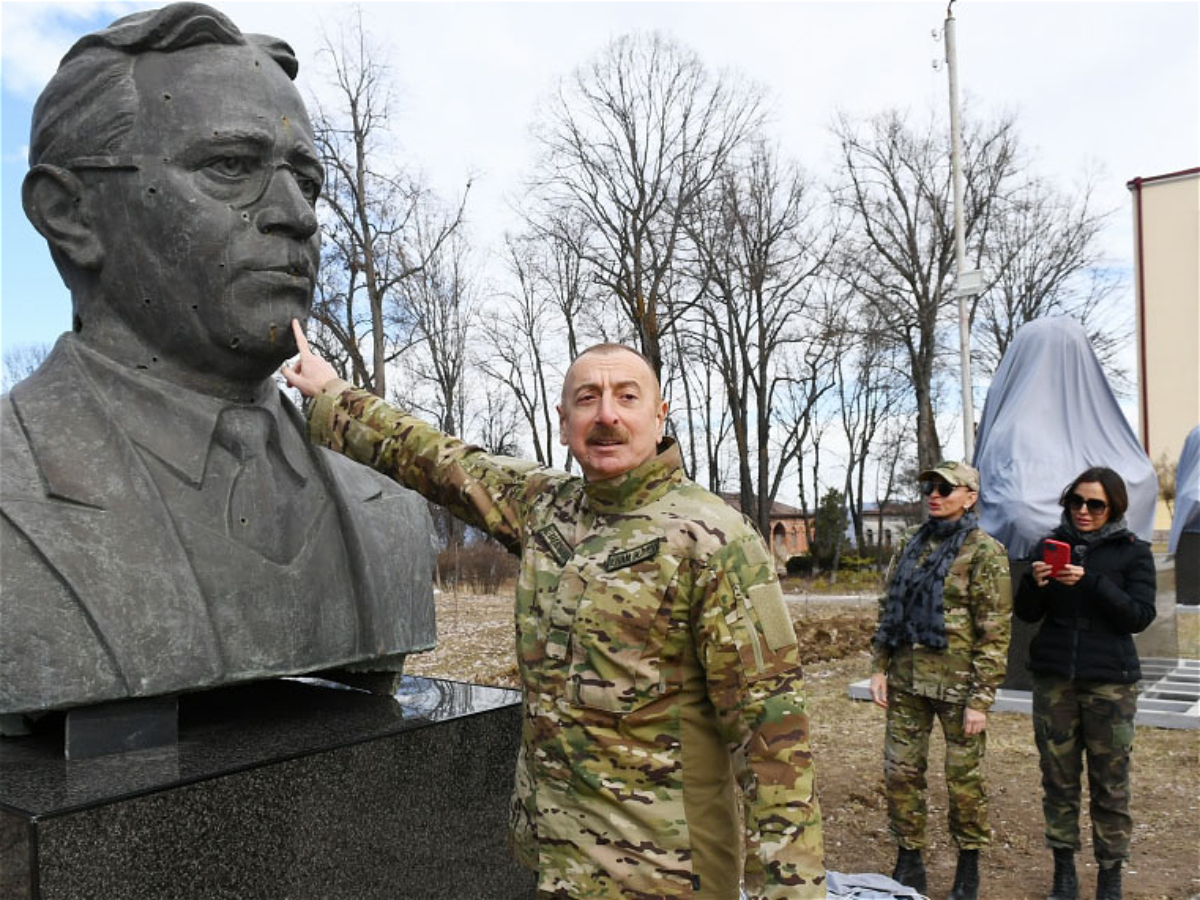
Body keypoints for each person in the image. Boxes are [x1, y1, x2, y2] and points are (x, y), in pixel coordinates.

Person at [0, 4, 435, 721]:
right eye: (231, 167)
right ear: (71, 214)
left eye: (308, 182)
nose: (297, 215)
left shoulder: (388, 501)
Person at [283, 324, 825, 900]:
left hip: (661, 878)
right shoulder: (546, 508)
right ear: (564, 421)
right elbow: (435, 458)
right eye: (587, 398)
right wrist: (333, 391)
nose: (607, 414)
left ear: (660, 416)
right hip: (553, 863)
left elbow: (774, 747)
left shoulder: (715, 539)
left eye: (627, 396)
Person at [869, 461, 1011, 900]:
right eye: (930, 486)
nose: (935, 493)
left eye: (946, 487)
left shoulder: (986, 552)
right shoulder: (912, 546)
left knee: (963, 779)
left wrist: (980, 699)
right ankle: (909, 856)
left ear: (969, 496)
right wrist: (879, 666)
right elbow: (889, 606)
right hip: (908, 681)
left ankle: (968, 864)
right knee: (901, 773)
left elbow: (995, 631)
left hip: (958, 687)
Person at [1015, 467, 1157, 900]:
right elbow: (1026, 613)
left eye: (1094, 504)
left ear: (1113, 506)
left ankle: (1109, 876)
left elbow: (1138, 616)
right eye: (1075, 501)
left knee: (1110, 784)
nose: (1082, 511)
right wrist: (1033, 582)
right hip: (1055, 680)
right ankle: (1064, 873)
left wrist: (1091, 581)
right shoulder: (1048, 545)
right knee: (1058, 781)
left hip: (1110, 684)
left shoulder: (1133, 553)